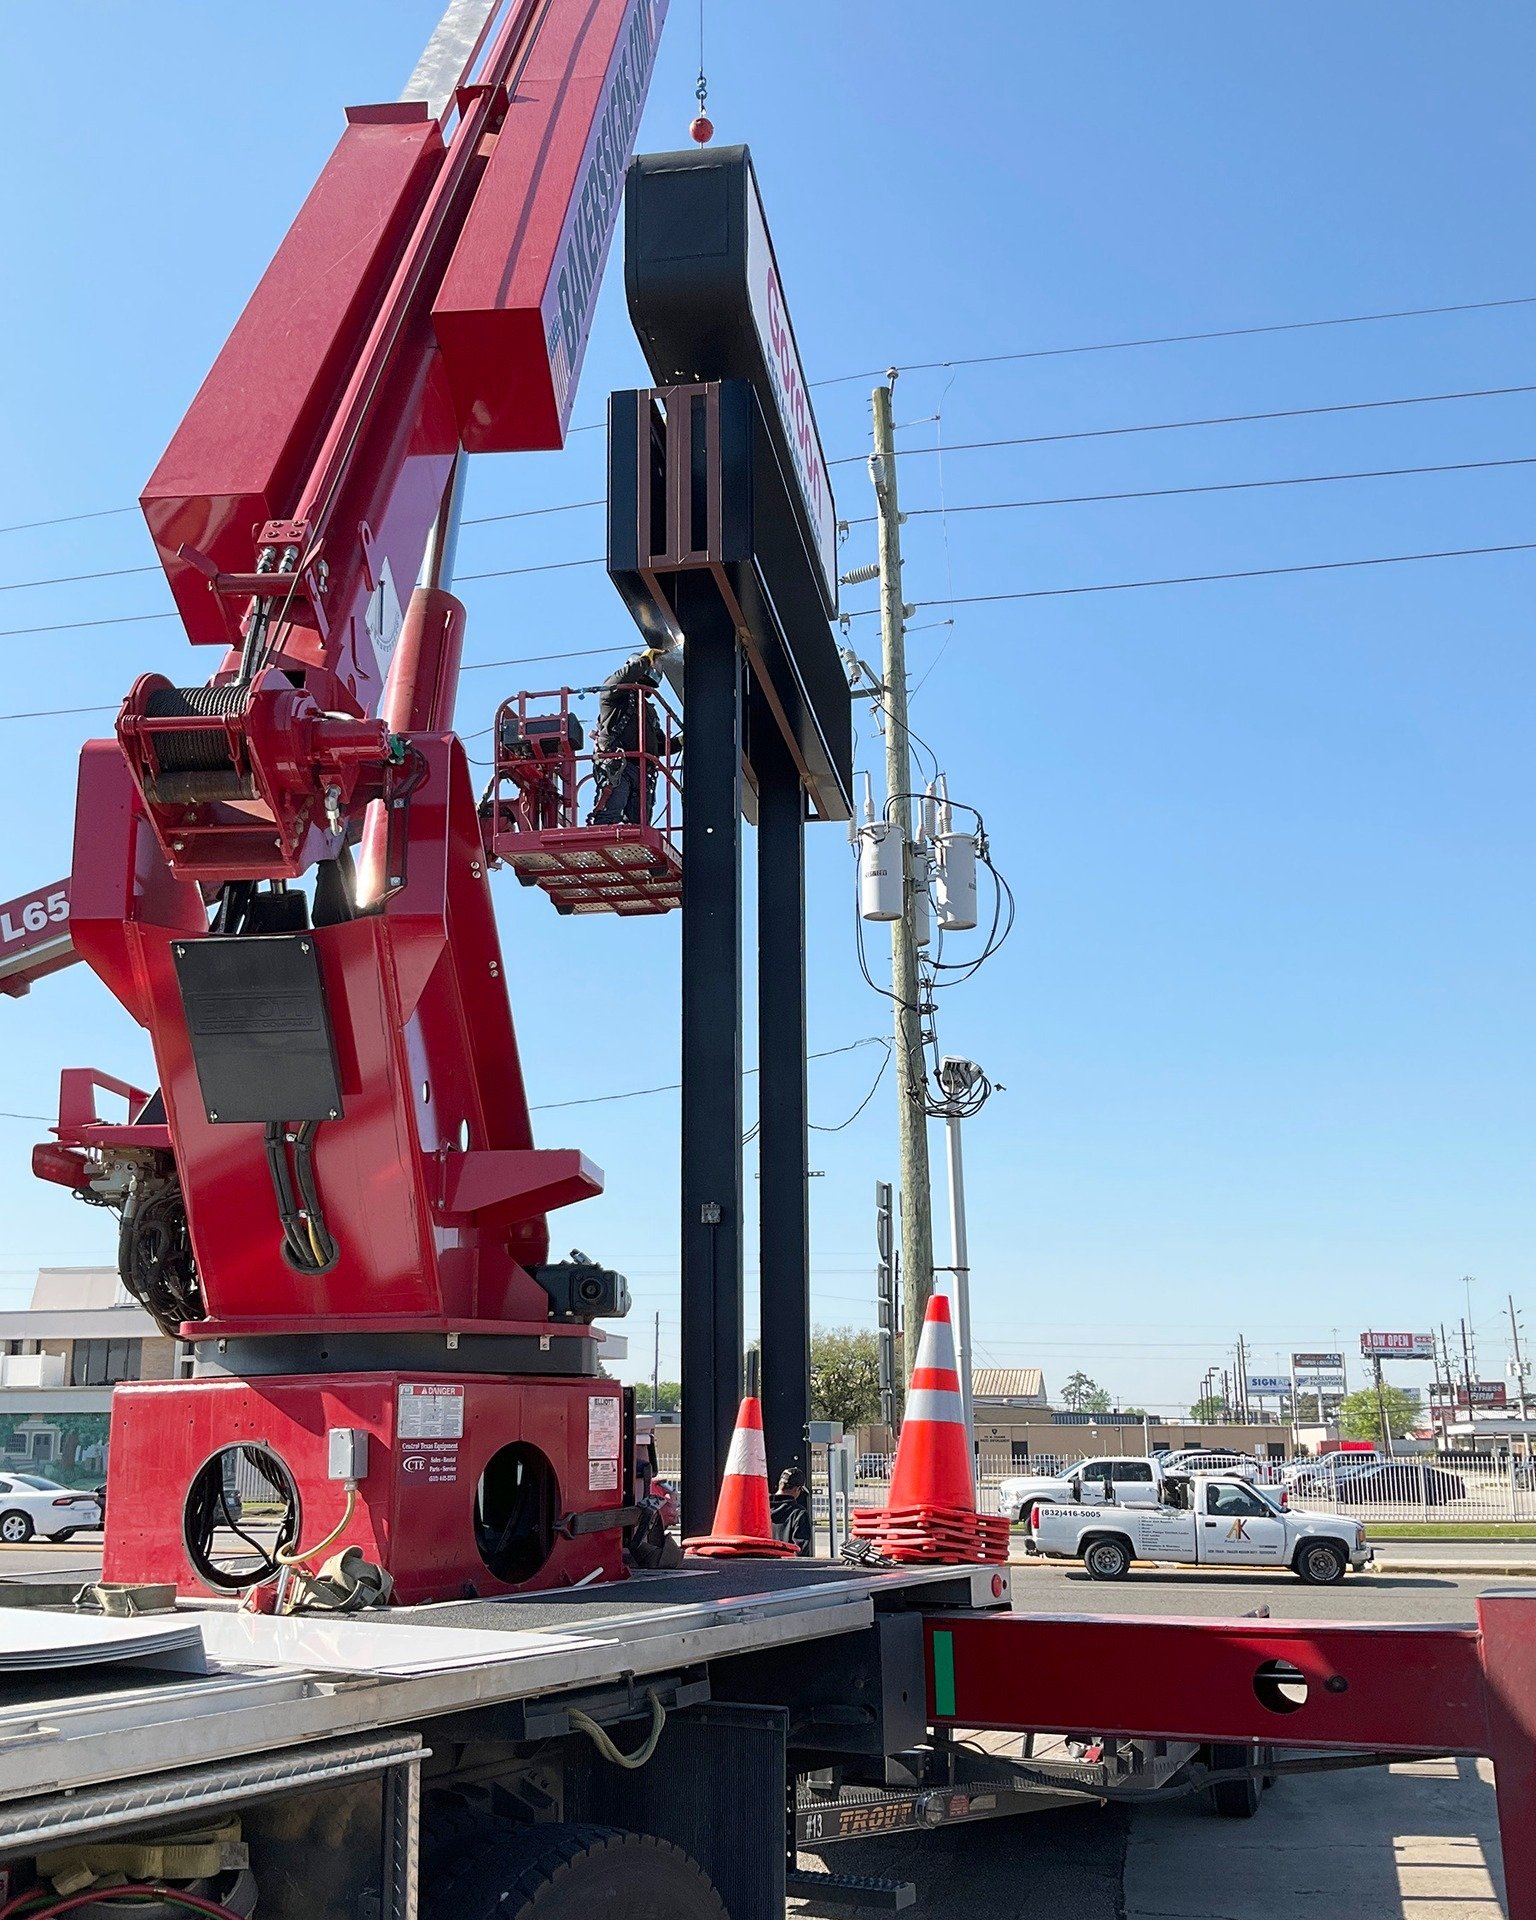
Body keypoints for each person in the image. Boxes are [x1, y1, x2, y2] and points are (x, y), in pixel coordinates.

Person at [590, 648, 668, 826]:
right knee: (609, 817)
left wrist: (682, 741)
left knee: (638, 825)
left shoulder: (649, 711)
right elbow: (617, 681)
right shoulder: (614, 696)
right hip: (618, 765)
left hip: (641, 771)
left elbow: (659, 746)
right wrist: (644, 660)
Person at [769, 1465, 813, 1556]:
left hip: (761, 1566)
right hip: (787, 1567)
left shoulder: (762, 1509)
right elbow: (801, 1550)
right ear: (797, 1489)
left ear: (780, 1485)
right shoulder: (799, 1513)